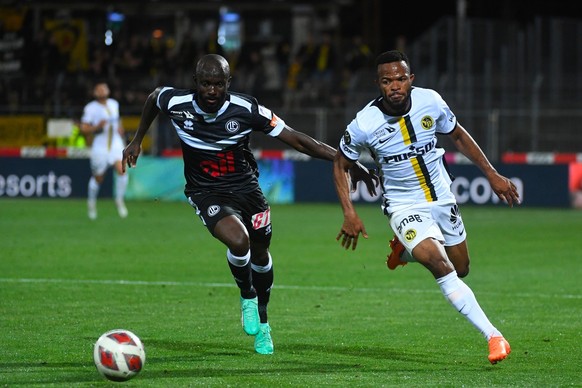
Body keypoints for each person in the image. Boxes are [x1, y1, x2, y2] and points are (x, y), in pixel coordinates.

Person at [122, 54, 378, 355]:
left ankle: (264, 324)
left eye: (219, 84)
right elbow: (154, 98)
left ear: (228, 83)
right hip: (206, 191)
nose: (212, 91)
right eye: (206, 84)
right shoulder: (176, 102)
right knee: (239, 240)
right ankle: (247, 297)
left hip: (248, 191)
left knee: (260, 252)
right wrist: (138, 139)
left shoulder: (247, 109)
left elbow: (296, 139)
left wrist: (346, 161)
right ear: (195, 83)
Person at [333, 50, 520, 364]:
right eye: (387, 80)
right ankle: (494, 336)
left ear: (411, 80)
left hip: (442, 197)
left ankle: (403, 252)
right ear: (378, 84)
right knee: (440, 265)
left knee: (461, 268)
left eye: (401, 79)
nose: (395, 86)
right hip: (403, 206)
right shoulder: (365, 124)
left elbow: (457, 135)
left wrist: (491, 173)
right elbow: (340, 164)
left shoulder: (431, 101)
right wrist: (349, 212)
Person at [80, 81, 128, 220]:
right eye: (99, 89)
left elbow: (118, 120)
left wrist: (120, 129)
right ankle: (91, 203)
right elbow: (84, 129)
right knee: (98, 178)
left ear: (108, 90)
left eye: (104, 88)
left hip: (115, 143)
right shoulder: (90, 108)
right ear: (95, 93)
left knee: (122, 170)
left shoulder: (114, 104)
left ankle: (119, 200)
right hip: (100, 146)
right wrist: (96, 127)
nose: (102, 90)